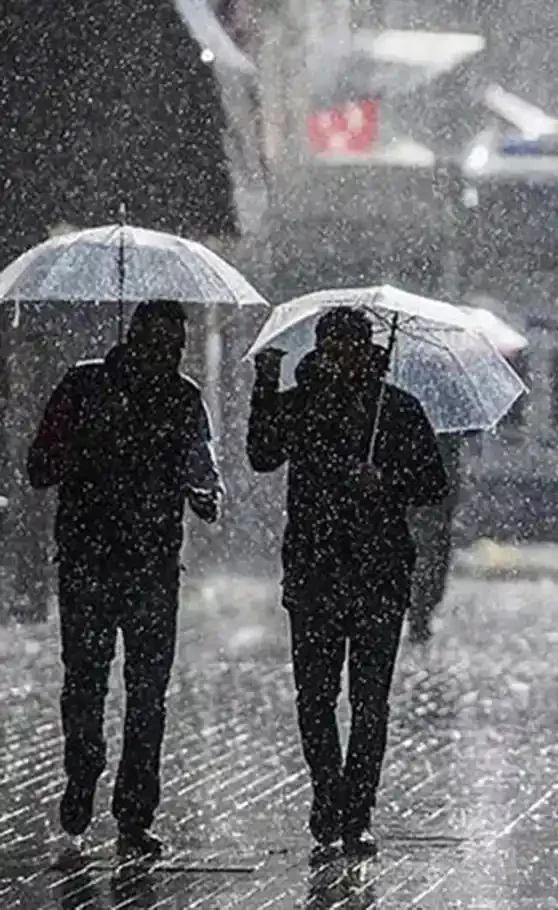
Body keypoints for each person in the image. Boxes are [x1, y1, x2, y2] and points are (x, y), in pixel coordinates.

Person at [248, 308, 448, 863]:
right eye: (331, 349)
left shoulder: (398, 411)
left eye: (350, 349)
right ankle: (326, 794)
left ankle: (356, 811)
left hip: (379, 574)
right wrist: (265, 386)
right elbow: (263, 455)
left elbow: (433, 484)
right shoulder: (302, 402)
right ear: (321, 350)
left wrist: (385, 479)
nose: (340, 360)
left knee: (369, 702)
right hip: (314, 572)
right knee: (315, 697)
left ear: (368, 351)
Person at [26, 300, 222, 859]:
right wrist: (87, 443)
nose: (168, 355)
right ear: (132, 338)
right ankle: (84, 771)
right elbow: (38, 467)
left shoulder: (182, 399)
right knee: (84, 683)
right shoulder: (83, 388)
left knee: (147, 696)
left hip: (153, 568)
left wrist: (204, 497)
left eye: (176, 346)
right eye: (159, 343)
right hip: (89, 563)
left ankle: (135, 814)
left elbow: (202, 471)